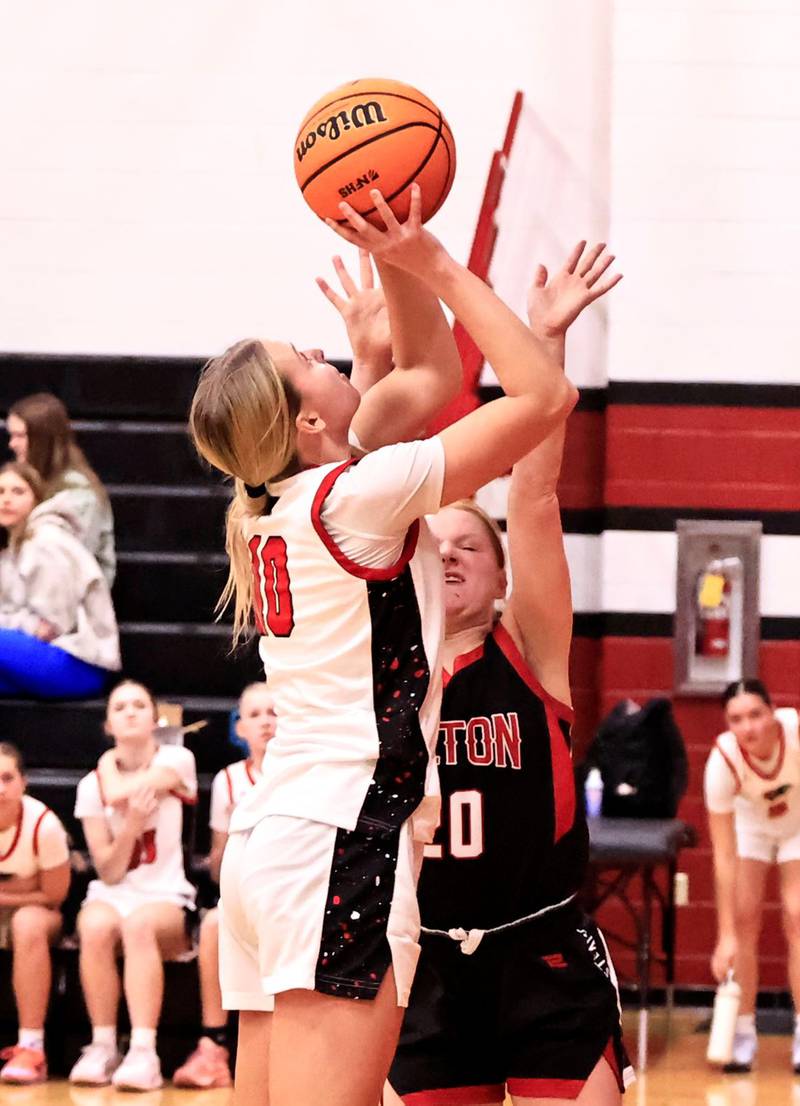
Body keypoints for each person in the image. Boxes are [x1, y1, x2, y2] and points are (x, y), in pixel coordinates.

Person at [188, 184, 577, 1106]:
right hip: (337, 836)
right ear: (311, 422)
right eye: (309, 360)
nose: (328, 353)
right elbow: (543, 394)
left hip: (270, 846)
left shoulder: (277, 507)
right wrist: (434, 264)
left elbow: (430, 377)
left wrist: (395, 252)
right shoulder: (357, 497)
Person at [69, 679, 198, 1091]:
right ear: (108, 722)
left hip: (166, 894)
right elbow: (107, 871)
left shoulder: (177, 759)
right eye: (120, 706)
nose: (129, 712)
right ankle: (103, 1045)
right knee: (92, 925)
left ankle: (145, 1051)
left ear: (155, 718)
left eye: (139, 705)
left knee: (139, 924)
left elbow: (123, 789)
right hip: (116, 890)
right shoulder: (89, 787)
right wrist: (132, 827)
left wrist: (108, 766)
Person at [172, 681, 277, 1089]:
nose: (267, 722)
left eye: (275, 712)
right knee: (216, 923)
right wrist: (235, 834)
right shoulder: (229, 781)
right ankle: (214, 1045)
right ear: (240, 729)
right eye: (255, 714)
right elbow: (216, 871)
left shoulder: (308, 773)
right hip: (243, 895)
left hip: (296, 894)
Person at [705, 678, 800, 1073]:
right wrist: (724, 934)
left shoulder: (796, 734)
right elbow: (723, 855)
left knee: (797, 917)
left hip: (798, 823)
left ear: (772, 712)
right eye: (737, 719)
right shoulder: (722, 762)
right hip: (751, 827)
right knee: (744, 923)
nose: (749, 727)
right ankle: (743, 1031)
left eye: (756, 715)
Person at [0, 461, 121, 699]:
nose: (6, 500)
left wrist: (18, 623)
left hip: (77, 662)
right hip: (40, 657)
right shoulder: (13, 549)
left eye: (18, 491)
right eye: (0, 492)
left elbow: (52, 626)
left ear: (36, 498)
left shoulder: (46, 541)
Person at [0, 742, 71, 1085]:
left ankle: (32, 1047)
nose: (0, 788)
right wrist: (18, 886)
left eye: (7, 777)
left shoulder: (43, 825)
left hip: (40, 913)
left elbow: (54, 895)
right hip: (19, 900)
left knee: (27, 923)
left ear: (23, 782)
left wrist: (7, 896)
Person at [6, 393, 116, 586]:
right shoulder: (26, 482)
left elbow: (65, 565)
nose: (12, 444)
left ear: (43, 439)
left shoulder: (80, 496)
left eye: (20, 436)